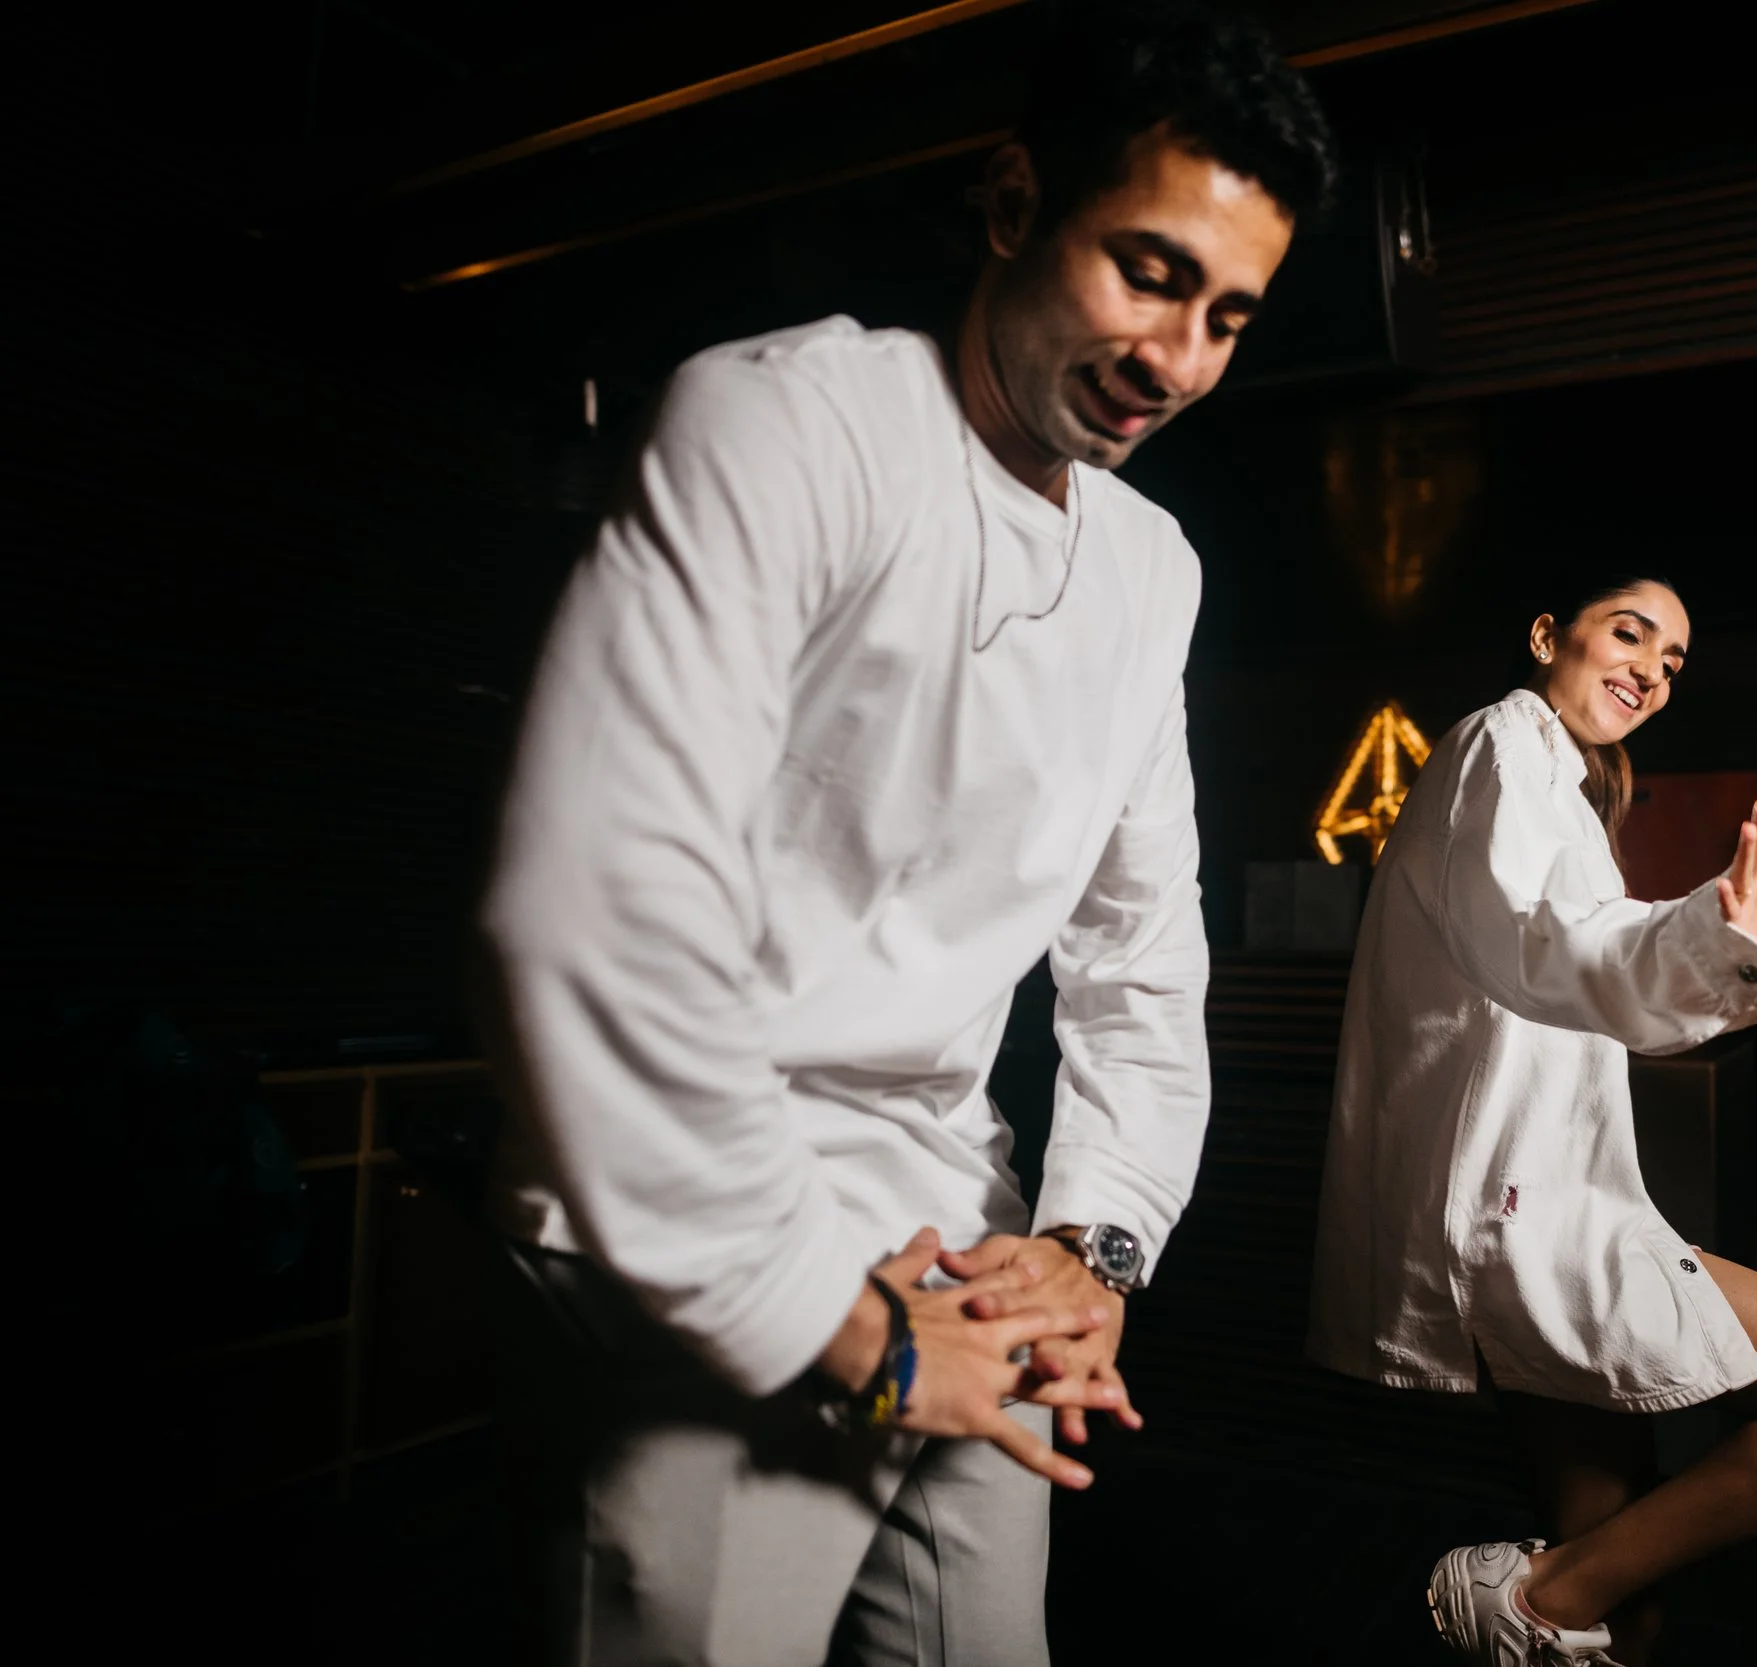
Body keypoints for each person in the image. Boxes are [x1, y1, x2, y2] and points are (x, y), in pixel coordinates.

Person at [476, 8, 1337, 1664]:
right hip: (705, 1225)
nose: (1179, 359)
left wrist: (1090, 1253)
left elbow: (1142, 957)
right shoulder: (788, 424)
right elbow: (588, 912)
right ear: (1015, 203)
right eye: (1147, 271)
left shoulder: (1154, 568)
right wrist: (847, 1330)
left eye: (1228, 315)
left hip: (960, 1229)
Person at [1307, 578, 1757, 1667]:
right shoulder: (1500, 746)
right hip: (1535, 1216)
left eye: (1675, 657)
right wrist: (1716, 932)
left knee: (1623, 1591)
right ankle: (1527, 1596)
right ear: (1548, 634)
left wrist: (1728, 936)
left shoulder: (1563, 782)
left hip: (1554, 1205)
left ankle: (1550, 1596)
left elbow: (1594, 972)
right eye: (1630, 631)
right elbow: (1552, 942)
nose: (1652, 666)